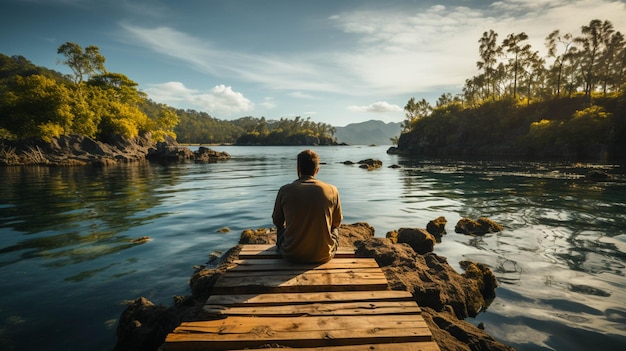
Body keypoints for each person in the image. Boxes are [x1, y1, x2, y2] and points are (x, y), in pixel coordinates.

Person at [272, 149, 342, 263]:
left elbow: (277, 222)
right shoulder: (332, 190)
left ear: (298, 169)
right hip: (323, 256)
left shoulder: (285, 190)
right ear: (317, 170)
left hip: (291, 254)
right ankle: (321, 246)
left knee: (281, 230)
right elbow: (336, 223)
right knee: (335, 229)